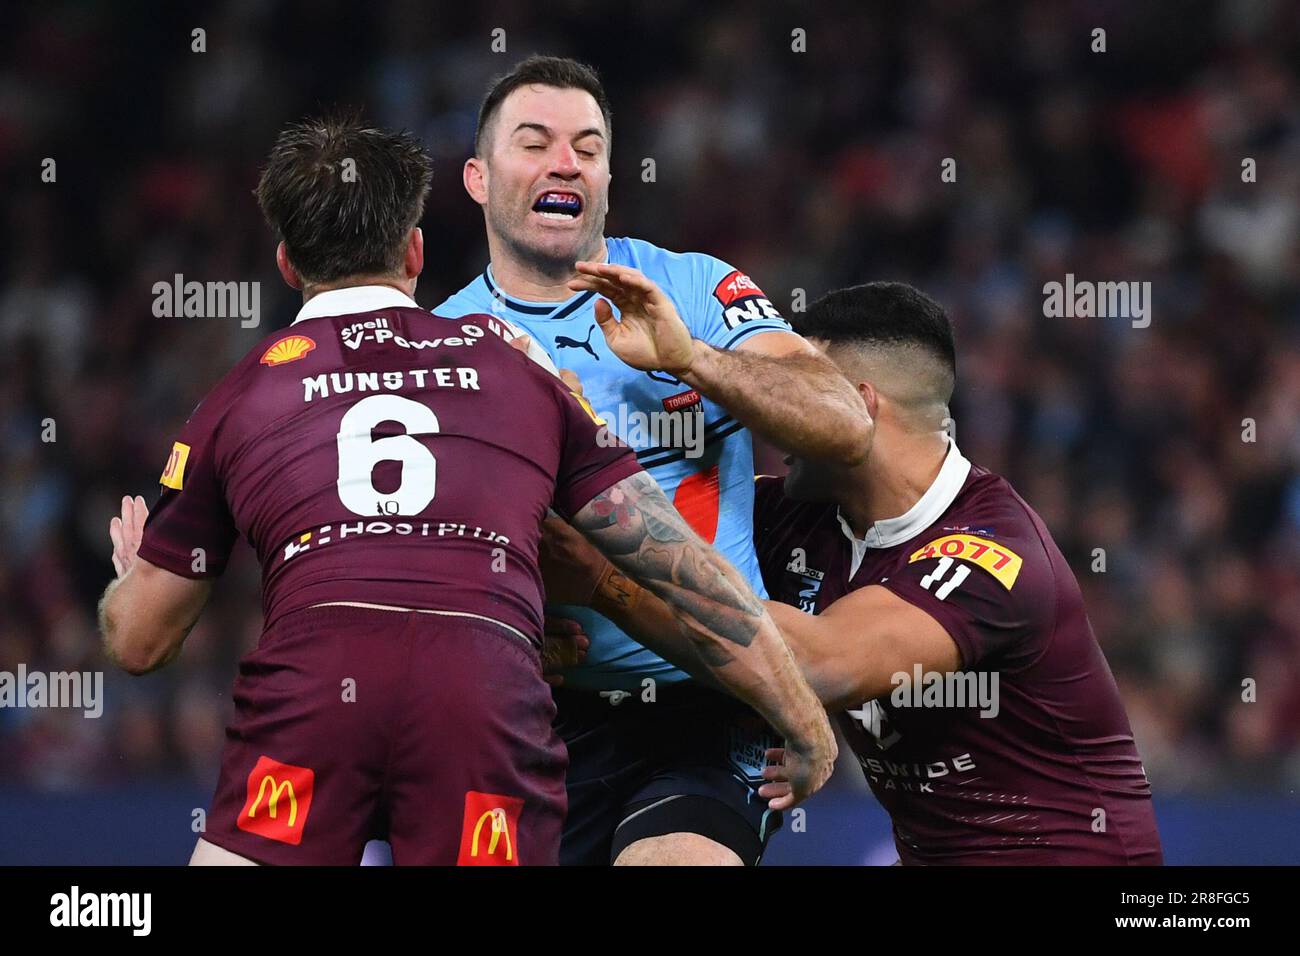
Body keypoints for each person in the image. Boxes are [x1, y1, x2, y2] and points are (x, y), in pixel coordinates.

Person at [96, 113, 836, 866]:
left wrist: (130, 581)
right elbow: (686, 568)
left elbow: (139, 641)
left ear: (288, 263)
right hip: (481, 688)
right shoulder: (521, 373)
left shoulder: (236, 397)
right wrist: (800, 717)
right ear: (414, 250)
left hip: (316, 684)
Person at [540, 281, 1164, 864]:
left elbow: (816, 663)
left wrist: (603, 584)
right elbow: (650, 535)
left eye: (797, 389)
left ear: (856, 405)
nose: (771, 412)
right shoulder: (791, 517)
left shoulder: (992, 554)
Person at [437, 55, 872, 867]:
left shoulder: (693, 288)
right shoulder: (441, 343)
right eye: (534, 143)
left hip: (707, 701)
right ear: (475, 177)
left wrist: (694, 359)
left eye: (588, 147)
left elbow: (845, 424)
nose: (564, 161)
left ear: (607, 176)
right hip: (532, 715)